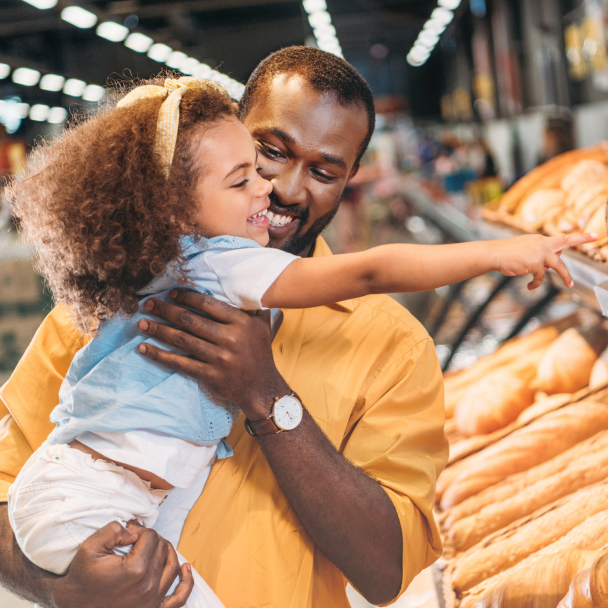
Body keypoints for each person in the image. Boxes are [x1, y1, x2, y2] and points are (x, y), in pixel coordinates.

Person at [0, 48, 591, 608]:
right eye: (269, 152)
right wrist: (65, 588)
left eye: (324, 170)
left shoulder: (394, 348)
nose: (283, 188)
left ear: (351, 180)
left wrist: (266, 395)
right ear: (232, 131)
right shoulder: (110, 302)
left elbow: (386, 570)